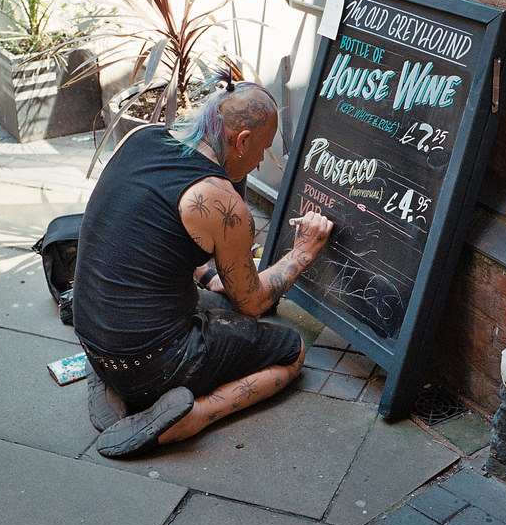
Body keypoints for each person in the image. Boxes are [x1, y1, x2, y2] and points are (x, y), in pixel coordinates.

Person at [72, 72, 334, 458]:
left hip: (93, 338)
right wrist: (303, 253)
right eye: (262, 149)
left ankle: (115, 383)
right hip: (152, 361)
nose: (262, 160)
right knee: (290, 351)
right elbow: (253, 302)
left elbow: (153, 240)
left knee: (220, 307)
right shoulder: (222, 203)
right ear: (242, 140)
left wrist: (212, 276)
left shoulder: (139, 137)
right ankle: (190, 418)